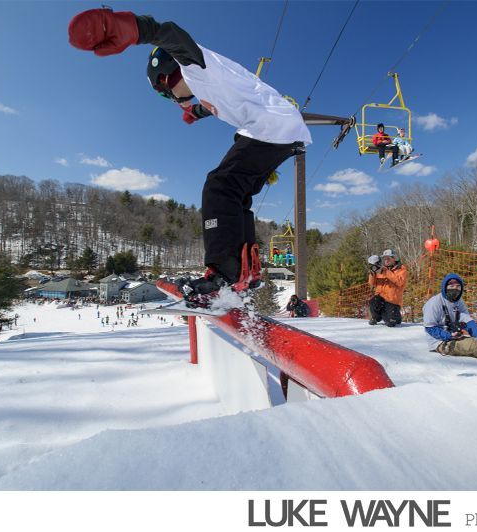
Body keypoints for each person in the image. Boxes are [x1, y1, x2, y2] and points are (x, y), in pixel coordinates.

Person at [68, 7, 311, 308]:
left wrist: (133, 27)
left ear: (169, 72)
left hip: (270, 127)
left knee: (218, 186)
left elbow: (173, 36)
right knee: (236, 196)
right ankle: (247, 272)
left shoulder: (194, 66)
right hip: (277, 129)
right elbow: (222, 102)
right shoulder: (208, 82)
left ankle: (224, 275)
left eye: (165, 91)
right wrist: (196, 112)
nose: (171, 98)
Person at [367, 249, 408, 327]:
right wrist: (372, 273)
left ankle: (395, 317)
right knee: (373, 301)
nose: (386, 260)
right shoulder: (381, 269)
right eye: (384, 258)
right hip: (380, 298)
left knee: (390, 323)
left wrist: (385, 271)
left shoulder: (402, 270)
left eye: (388, 258)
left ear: (394, 258)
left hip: (393, 301)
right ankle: (376, 317)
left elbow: (399, 282)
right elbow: (372, 283)